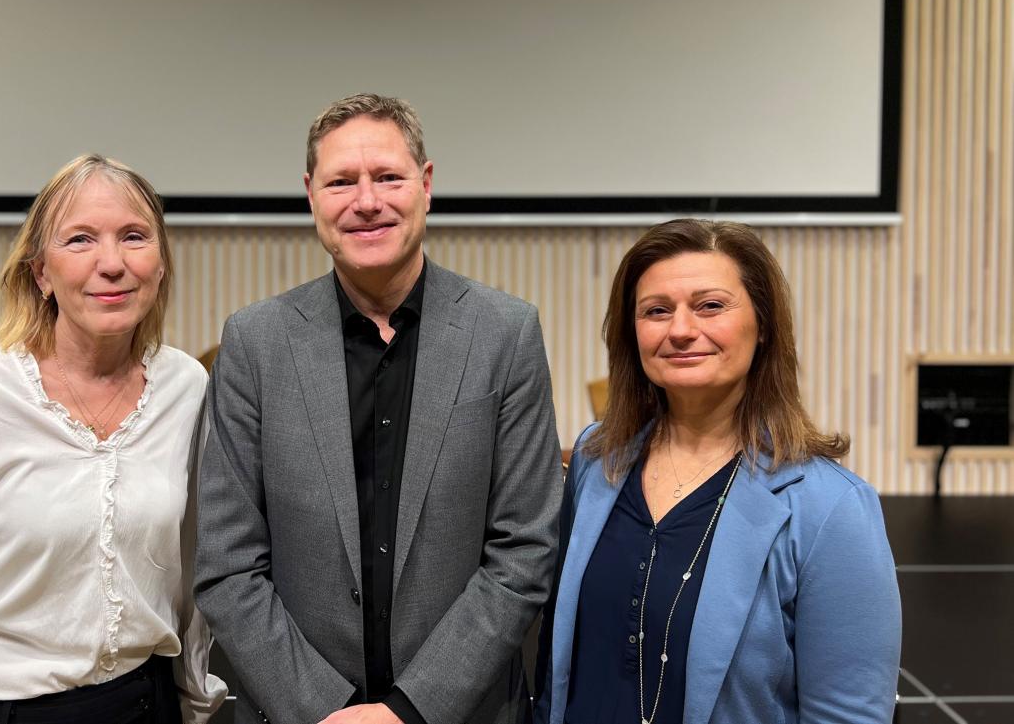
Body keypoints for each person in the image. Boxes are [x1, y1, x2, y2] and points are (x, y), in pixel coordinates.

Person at [195, 94, 564, 724]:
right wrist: (326, 710)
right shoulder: (255, 344)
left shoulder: (505, 334)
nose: (366, 202)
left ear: (426, 185)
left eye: (388, 177)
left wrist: (408, 711)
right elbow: (227, 565)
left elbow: (525, 550)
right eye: (341, 181)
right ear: (311, 194)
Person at [0, 155, 226, 724]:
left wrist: (194, 699)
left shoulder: (187, 387)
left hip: (147, 703)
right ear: (40, 273)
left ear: (160, 265)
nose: (112, 264)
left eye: (134, 237)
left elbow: (190, 569)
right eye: (80, 239)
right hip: (8, 711)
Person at [534, 218, 901, 724]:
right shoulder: (597, 460)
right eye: (656, 311)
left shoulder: (831, 507)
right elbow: (557, 672)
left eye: (710, 305)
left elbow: (848, 714)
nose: (681, 330)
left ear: (764, 325)